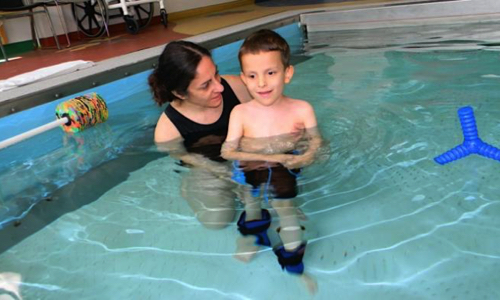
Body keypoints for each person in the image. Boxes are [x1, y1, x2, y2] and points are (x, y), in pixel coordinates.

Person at [221, 29, 321, 294]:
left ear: (287, 73)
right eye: (252, 76)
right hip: (249, 168)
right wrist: (272, 157)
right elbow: (228, 152)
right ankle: (253, 237)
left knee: (286, 211)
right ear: (243, 79)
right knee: (251, 205)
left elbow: (316, 142)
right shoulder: (240, 113)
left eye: (270, 73)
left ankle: (294, 266)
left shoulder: (302, 109)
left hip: (284, 169)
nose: (262, 83)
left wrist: (309, 156)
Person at [148, 40, 252, 229]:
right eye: (205, 85)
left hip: (244, 152)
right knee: (216, 221)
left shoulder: (237, 88)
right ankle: (189, 189)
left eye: (216, 74)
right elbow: (188, 161)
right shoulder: (168, 130)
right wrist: (225, 174)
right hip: (208, 168)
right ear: (180, 93)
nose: (219, 87)